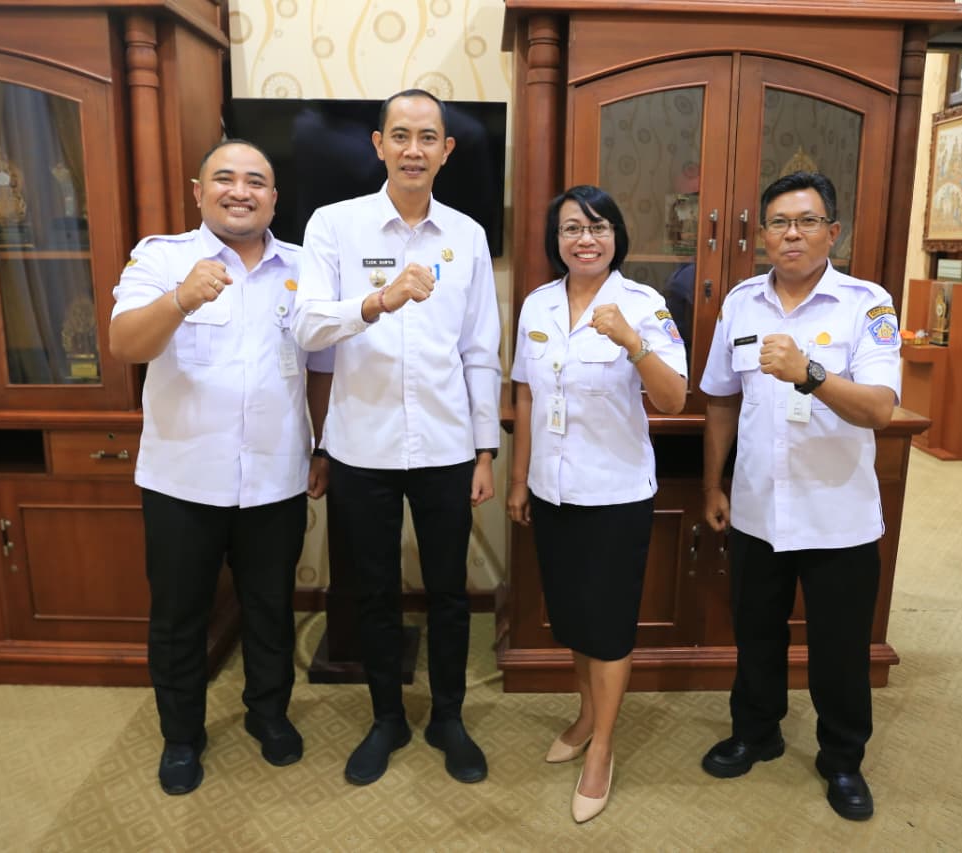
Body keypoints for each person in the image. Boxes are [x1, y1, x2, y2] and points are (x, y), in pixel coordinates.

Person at [290, 89, 501, 787]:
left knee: (449, 593)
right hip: (361, 446)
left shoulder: (467, 236)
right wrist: (377, 301)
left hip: (446, 447)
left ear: (447, 150)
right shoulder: (334, 225)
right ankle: (386, 718)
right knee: (374, 593)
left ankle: (448, 717)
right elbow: (307, 326)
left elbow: (480, 350)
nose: (414, 149)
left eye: (428, 137)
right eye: (401, 135)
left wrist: (485, 450)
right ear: (378, 145)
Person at [109, 140, 332, 796]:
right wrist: (180, 299)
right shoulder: (162, 257)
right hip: (183, 479)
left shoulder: (304, 267)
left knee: (270, 607)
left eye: (256, 181)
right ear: (198, 191)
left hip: (275, 477)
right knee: (179, 616)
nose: (241, 191)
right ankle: (182, 736)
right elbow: (124, 344)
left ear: (274, 198)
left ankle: (268, 713)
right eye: (225, 178)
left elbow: (320, 367)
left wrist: (322, 446)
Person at [697, 171, 900, 821]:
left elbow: (880, 409)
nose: (792, 233)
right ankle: (756, 731)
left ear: (832, 232)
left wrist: (809, 373)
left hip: (837, 513)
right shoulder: (741, 303)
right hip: (758, 507)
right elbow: (721, 399)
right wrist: (713, 483)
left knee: (840, 648)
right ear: (761, 234)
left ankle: (842, 759)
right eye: (780, 222)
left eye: (807, 221)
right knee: (755, 632)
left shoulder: (866, 304)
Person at [507, 185, 688, 823]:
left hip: (614, 493)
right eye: (571, 229)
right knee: (574, 619)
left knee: (608, 628)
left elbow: (673, 399)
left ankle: (603, 747)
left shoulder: (644, 304)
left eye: (598, 227)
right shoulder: (537, 303)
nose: (585, 239)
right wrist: (520, 479)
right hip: (554, 490)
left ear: (616, 237)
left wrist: (633, 342)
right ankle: (586, 716)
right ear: (555, 240)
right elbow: (526, 394)